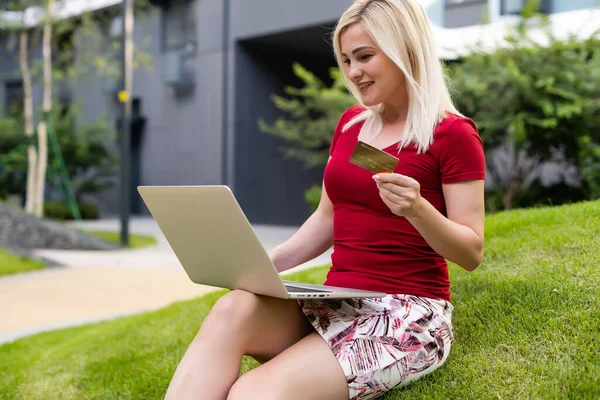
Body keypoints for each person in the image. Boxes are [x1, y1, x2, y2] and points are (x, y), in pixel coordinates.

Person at [164, 0, 485, 399]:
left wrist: (418, 210)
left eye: (365, 57)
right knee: (233, 308)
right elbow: (327, 219)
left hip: (406, 313)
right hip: (338, 301)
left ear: (404, 48)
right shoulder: (351, 126)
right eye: (347, 59)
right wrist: (261, 267)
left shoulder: (452, 134)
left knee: (253, 392)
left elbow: (471, 252)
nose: (354, 72)